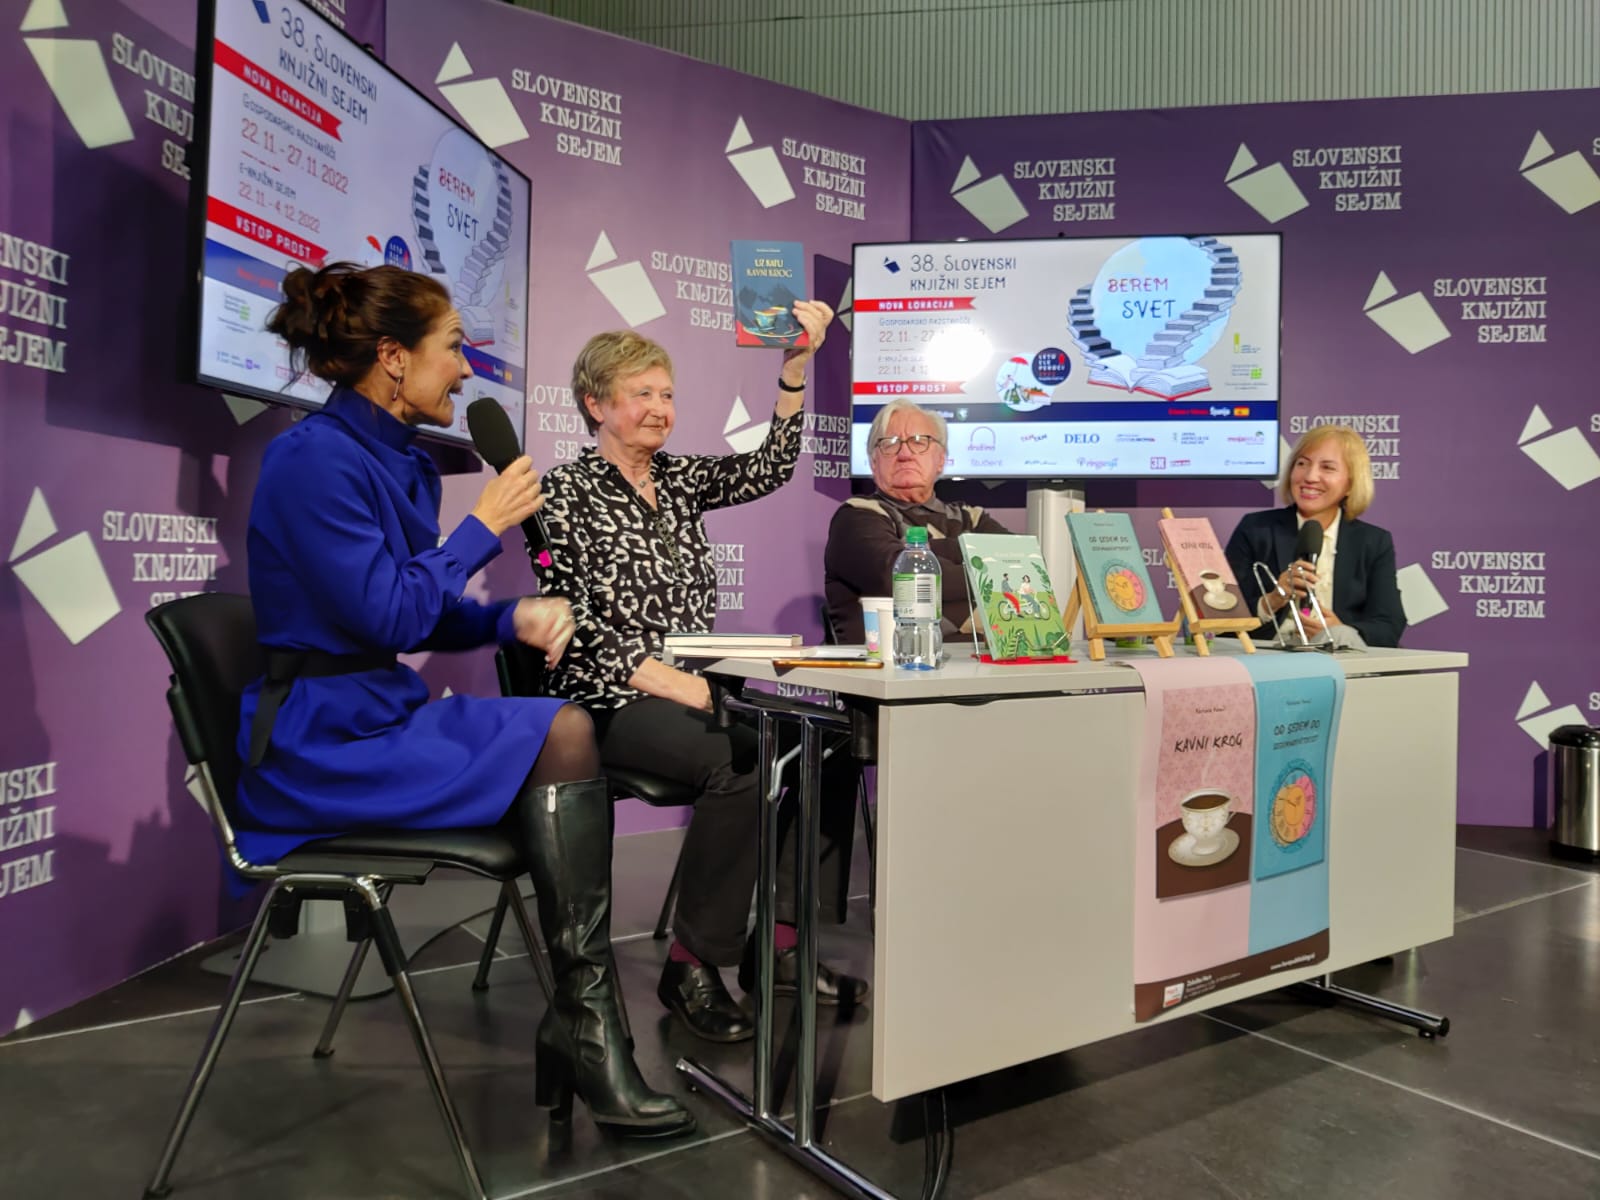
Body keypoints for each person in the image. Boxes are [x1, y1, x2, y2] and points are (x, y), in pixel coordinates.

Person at [241, 262, 691, 1137]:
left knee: (561, 731)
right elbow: (390, 614)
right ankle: (587, 1026)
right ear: (393, 357)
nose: (466, 368)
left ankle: (583, 1021)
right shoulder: (310, 461)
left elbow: (417, 609)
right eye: (453, 347)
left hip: (384, 712)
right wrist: (482, 527)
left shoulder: (402, 461)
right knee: (564, 729)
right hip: (322, 742)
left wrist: (506, 618)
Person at [539, 310, 867, 1044]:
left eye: (667, 394)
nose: (660, 408)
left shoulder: (679, 480)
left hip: (695, 692)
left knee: (828, 744)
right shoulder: (565, 492)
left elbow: (768, 467)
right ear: (596, 403)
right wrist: (669, 681)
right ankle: (691, 966)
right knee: (744, 764)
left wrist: (792, 371)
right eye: (641, 394)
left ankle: (779, 945)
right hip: (607, 702)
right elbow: (570, 622)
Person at [824, 398, 1012, 643]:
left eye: (919, 442)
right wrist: (979, 561)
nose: (904, 454)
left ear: (941, 459)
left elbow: (1019, 565)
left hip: (978, 662)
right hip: (894, 661)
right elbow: (901, 579)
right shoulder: (856, 516)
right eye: (890, 444)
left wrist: (926, 552)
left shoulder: (970, 517)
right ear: (873, 462)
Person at [1223, 423, 1406, 648]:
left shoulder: (1373, 541)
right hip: (1269, 655)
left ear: (1350, 483)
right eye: (1302, 464)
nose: (1310, 477)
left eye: (1327, 468)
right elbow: (1223, 618)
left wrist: (1339, 630)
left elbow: (1388, 626)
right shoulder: (1256, 529)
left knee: (1342, 637)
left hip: (1341, 658)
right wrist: (1273, 599)